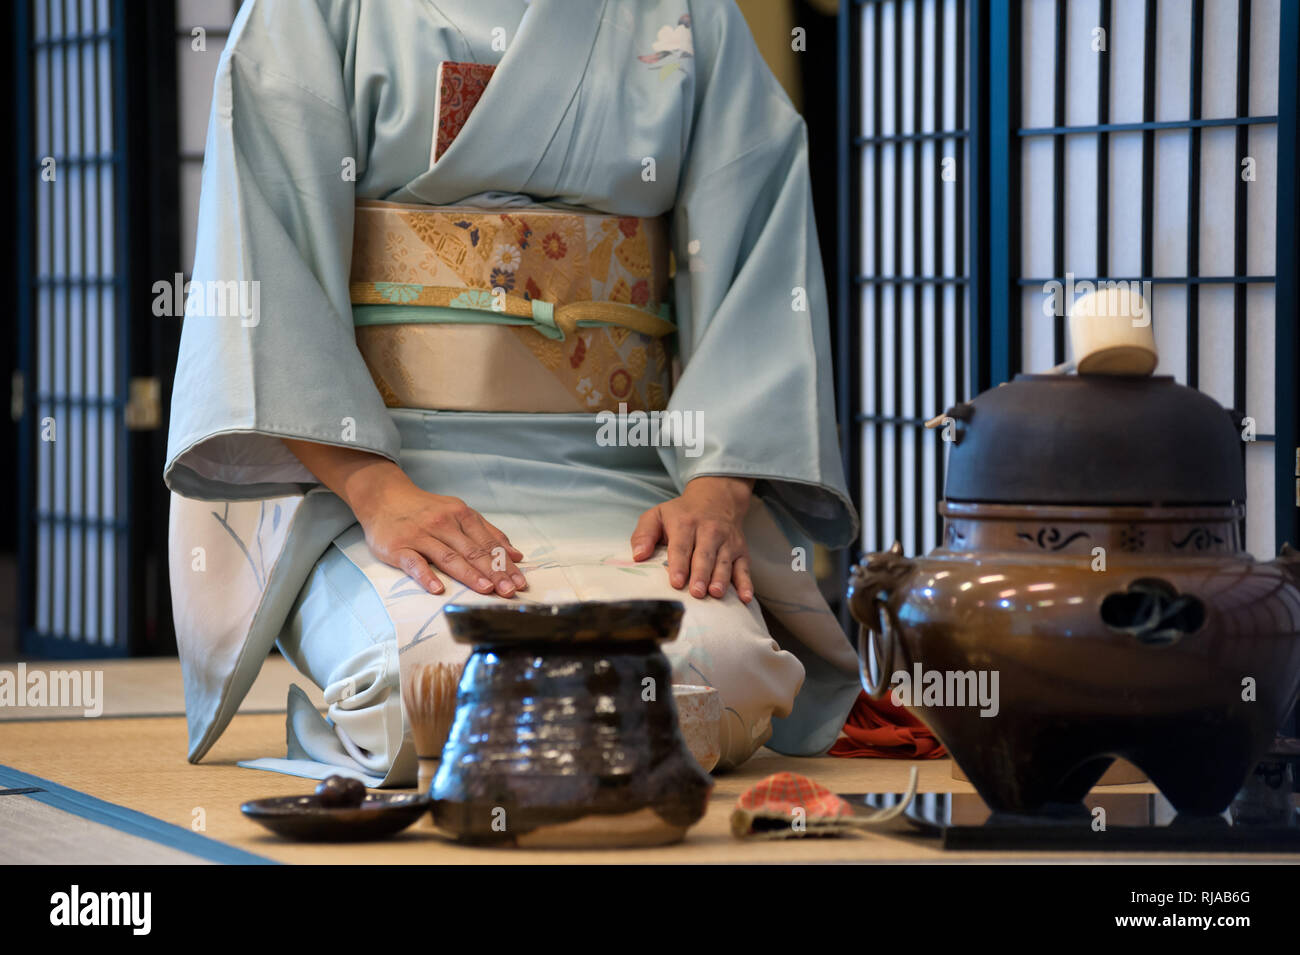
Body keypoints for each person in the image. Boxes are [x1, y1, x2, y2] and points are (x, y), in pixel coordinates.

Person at [165, 0, 860, 786]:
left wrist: (716, 489)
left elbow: (757, 234)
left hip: (625, 474)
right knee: (448, 681)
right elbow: (266, 255)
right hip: (382, 480)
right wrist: (377, 491)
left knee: (723, 668)